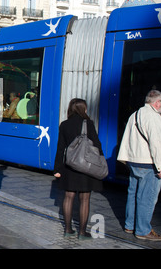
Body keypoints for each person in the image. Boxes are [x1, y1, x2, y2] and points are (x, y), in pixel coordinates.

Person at [117, 90, 161, 241]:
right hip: (148, 162)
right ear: (157, 103)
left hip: (134, 160)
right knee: (147, 198)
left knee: (133, 193)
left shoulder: (135, 114)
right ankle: (142, 230)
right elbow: (156, 143)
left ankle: (130, 225)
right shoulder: (153, 117)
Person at [54, 98, 103, 240]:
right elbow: (97, 145)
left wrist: (57, 168)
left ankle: (68, 230)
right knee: (85, 199)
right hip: (85, 167)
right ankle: (82, 232)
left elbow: (60, 148)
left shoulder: (64, 125)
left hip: (69, 166)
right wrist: (101, 163)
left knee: (68, 197)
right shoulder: (89, 124)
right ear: (83, 109)